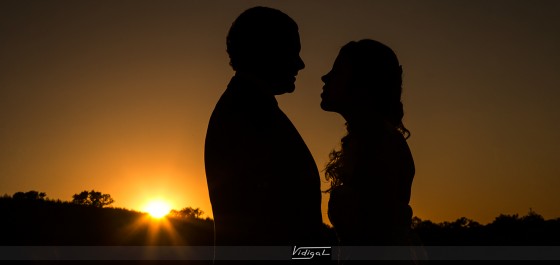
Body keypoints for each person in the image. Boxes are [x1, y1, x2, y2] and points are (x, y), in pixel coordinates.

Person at [204, 6, 324, 251]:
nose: (300, 64)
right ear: (267, 50)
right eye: (293, 52)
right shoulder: (249, 113)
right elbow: (275, 229)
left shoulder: (250, 106)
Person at [321, 39, 419, 262]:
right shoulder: (367, 139)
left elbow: (373, 241)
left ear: (361, 84)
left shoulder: (380, 143)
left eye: (337, 71)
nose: (325, 78)